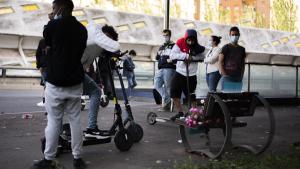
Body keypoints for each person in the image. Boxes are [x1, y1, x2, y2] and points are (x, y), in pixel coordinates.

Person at [30, 0, 88, 169]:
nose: (53, 11)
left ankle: (48, 159)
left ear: (61, 7)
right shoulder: (81, 29)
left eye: (54, 8)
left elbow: (47, 45)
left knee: (54, 122)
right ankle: (77, 159)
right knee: (75, 120)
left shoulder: (52, 26)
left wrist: (52, 21)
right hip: (75, 81)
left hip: (55, 82)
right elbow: (80, 52)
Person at [81, 24, 120, 137]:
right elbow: (115, 47)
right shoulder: (96, 40)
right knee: (96, 92)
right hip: (75, 71)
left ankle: (91, 128)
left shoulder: (91, 39)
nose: (107, 41)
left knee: (95, 91)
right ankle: (92, 128)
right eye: (107, 37)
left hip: (73, 70)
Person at [169, 29, 205, 121]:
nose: (190, 42)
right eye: (188, 40)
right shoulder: (180, 43)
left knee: (191, 96)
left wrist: (192, 57)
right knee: (174, 93)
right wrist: (185, 56)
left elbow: (203, 56)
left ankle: (194, 115)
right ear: (185, 38)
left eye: (192, 40)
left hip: (191, 75)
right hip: (180, 73)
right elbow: (172, 55)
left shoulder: (198, 47)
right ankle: (180, 113)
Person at [218, 26, 246, 92]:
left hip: (238, 78)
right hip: (227, 77)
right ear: (229, 35)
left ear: (239, 35)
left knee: (237, 97)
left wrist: (241, 75)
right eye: (232, 35)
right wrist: (224, 75)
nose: (234, 36)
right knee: (226, 98)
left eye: (236, 35)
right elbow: (220, 62)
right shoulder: (225, 47)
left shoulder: (242, 49)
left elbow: (243, 64)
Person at [154, 29, 176, 111]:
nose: (165, 37)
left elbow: (176, 57)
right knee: (157, 84)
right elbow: (157, 57)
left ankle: (168, 105)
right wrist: (158, 53)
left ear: (170, 36)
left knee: (168, 87)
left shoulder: (174, 45)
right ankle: (167, 100)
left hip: (169, 68)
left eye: (166, 35)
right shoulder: (162, 46)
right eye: (163, 36)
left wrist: (171, 59)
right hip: (161, 68)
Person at [36, 13, 55, 107]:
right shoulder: (42, 41)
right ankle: (46, 101)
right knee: (46, 84)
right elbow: (38, 54)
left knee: (48, 84)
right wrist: (39, 66)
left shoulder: (54, 41)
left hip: (50, 66)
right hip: (45, 66)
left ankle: (47, 101)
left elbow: (38, 54)